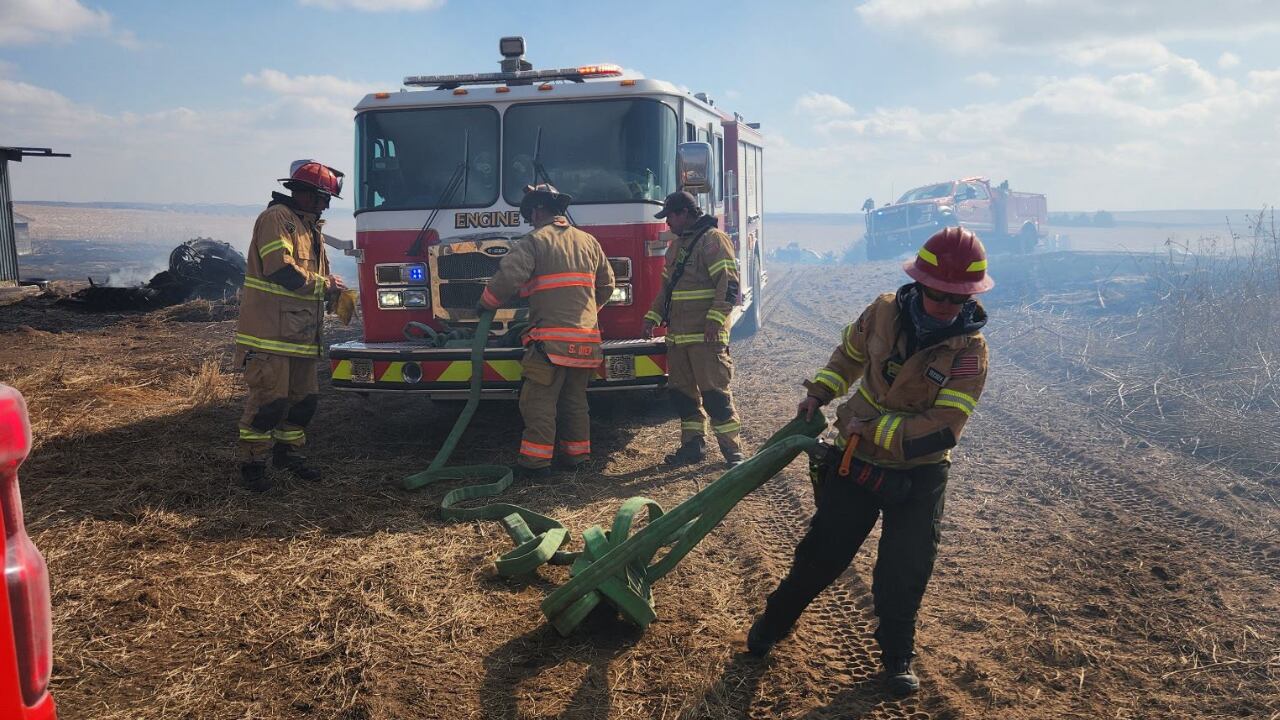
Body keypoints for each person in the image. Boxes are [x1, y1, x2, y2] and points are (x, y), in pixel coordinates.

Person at [746, 226, 993, 696]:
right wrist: (819, 393)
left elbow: (943, 429)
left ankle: (897, 658)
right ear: (919, 285)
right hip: (855, 464)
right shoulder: (881, 312)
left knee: (905, 570)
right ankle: (769, 629)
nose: (945, 307)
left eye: (956, 299)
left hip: (919, 474)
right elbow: (848, 357)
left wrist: (870, 429)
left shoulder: (971, 353)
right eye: (937, 295)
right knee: (821, 555)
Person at [479, 184, 615, 479]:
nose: (530, 220)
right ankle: (577, 457)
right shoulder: (589, 241)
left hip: (550, 345)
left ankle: (535, 465)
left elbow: (509, 277)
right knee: (575, 402)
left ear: (538, 210)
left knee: (538, 402)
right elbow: (607, 285)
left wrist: (485, 304)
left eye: (530, 215)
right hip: (586, 341)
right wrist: (586, 314)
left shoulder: (535, 241)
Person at [235, 160, 347, 492]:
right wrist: (324, 285)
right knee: (269, 404)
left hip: (300, 336)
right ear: (304, 194)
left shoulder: (309, 226)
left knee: (303, 402)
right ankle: (252, 465)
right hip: (269, 336)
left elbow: (311, 281)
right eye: (323, 197)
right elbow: (280, 270)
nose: (326, 204)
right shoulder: (277, 220)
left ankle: (288, 456)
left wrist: (332, 292)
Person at [643, 191, 745, 467]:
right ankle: (692, 446)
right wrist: (652, 317)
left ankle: (732, 452)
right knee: (684, 397)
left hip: (706, 337)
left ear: (685, 213)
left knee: (715, 395)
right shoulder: (677, 247)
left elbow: (729, 283)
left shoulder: (713, 240)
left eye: (670, 217)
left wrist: (715, 319)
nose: (668, 224)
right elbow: (667, 289)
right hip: (679, 338)